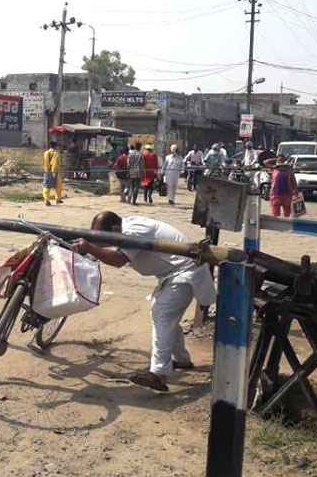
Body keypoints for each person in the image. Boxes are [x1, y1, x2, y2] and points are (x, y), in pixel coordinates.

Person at [73, 212, 216, 392]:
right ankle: (181, 360)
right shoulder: (128, 227)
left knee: (162, 315)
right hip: (174, 273)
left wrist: (91, 247)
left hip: (184, 272)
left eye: (103, 236)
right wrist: (91, 245)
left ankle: (159, 374)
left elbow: (118, 260)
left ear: (115, 229)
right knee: (167, 318)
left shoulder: (135, 231)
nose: (101, 242)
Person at [41, 141, 63, 206]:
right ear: (55, 146)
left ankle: (46, 199)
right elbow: (55, 163)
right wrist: (54, 171)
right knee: (58, 185)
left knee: (47, 185)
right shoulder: (56, 153)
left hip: (47, 170)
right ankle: (57, 199)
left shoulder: (46, 153)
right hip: (54, 171)